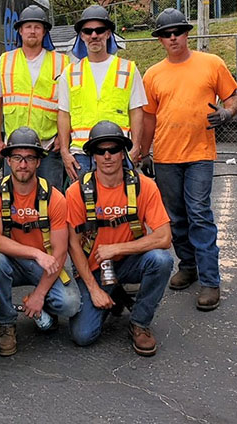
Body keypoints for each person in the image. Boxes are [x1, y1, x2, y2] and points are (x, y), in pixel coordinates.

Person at [140, 8, 237, 311]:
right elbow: (148, 119)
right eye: (166, 34)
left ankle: (210, 280)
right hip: (167, 156)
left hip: (199, 154)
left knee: (199, 213)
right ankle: (188, 266)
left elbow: (233, 97)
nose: (173, 38)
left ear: (186, 33)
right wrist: (144, 153)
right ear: (160, 39)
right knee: (176, 215)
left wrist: (226, 113)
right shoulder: (153, 74)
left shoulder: (212, 64)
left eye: (178, 32)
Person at [66, 120, 173, 356]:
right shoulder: (77, 192)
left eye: (113, 150)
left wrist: (117, 248)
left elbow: (164, 237)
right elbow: (73, 246)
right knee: (83, 336)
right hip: (95, 267)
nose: (107, 156)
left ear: (122, 153)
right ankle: (112, 293)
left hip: (129, 261)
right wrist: (94, 289)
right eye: (100, 150)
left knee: (161, 260)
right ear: (92, 156)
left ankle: (139, 323)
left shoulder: (145, 186)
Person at [0, 126, 80, 357]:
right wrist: (35, 253)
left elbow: (59, 252)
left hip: (45, 265)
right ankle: (6, 324)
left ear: (39, 162)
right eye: (17, 157)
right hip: (12, 262)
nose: (23, 164)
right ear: (8, 160)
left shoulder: (55, 198)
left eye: (29, 158)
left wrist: (38, 294)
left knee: (70, 304)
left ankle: (41, 303)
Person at [57, 5, 146, 183]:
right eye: (88, 31)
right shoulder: (70, 72)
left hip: (117, 152)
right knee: (82, 208)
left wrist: (135, 147)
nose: (94, 35)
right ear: (82, 36)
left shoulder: (128, 69)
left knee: (120, 207)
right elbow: (64, 114)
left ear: (108, 33)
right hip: (80, 155)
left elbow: (136, 111)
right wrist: (65, 153)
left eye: (99, 30)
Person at [0, 5, 69, 190]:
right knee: (14, 199)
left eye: (37, 27)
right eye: (28, 26)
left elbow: (71, 105)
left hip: (48, 148)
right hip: (15, 148)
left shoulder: (62, 62)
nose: (32, 31)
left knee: (51, 198)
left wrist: (63, 138)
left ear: (44, 31)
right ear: (20, 31)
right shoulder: (5, 61)